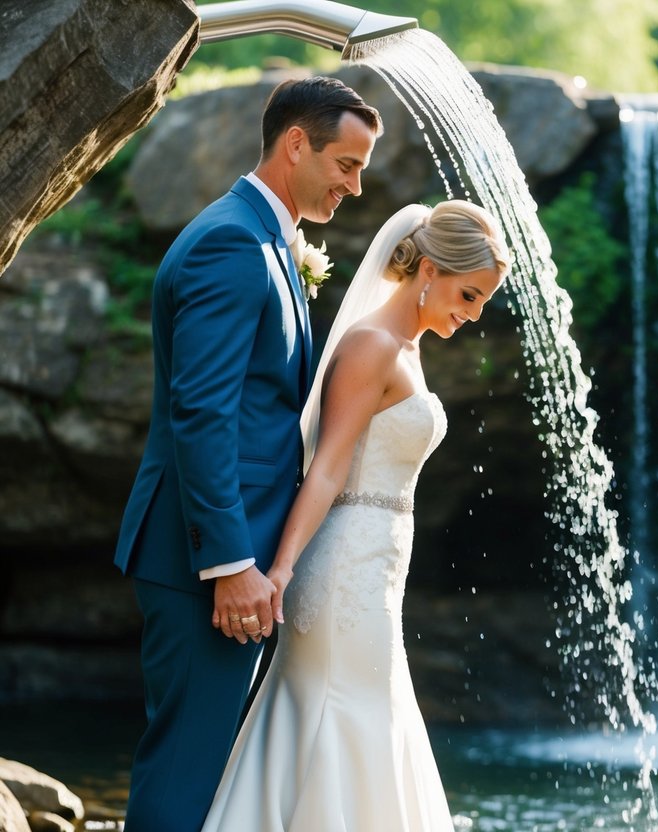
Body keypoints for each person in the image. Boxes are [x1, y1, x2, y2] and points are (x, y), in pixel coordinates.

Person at [113, 76, 382, 832]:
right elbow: (201, 415)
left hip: (232, 562)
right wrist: (230, 565)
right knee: (185, 770)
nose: (355, 186)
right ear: (296, 143)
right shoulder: (231, 242)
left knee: (212, 772)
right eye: (347, 164)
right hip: (203, 567)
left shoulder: (267, 238)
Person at [200, 200, 510, 831]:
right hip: (343, 574)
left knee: (365, 709)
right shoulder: (372, 345)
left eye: (482, 303)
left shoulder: (407, 347)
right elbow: (328, 468)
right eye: (468, 294)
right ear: (428, 269)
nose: (474, 314)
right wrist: (281, 569)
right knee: (349, 711)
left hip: (376, 569)